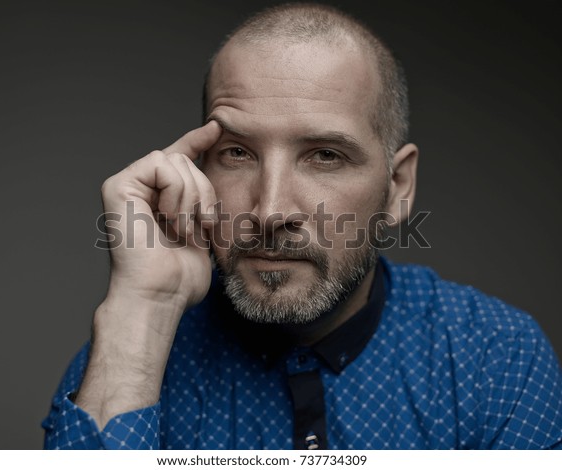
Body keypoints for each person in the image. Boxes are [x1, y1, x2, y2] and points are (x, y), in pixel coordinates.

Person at [42, 3, 562, 450]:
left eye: (325, 156)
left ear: (398, 187)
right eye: (238, 153)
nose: (268, 212)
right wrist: (145, 310)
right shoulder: (128, 353)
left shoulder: (495, 358)